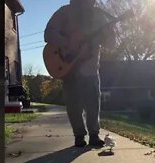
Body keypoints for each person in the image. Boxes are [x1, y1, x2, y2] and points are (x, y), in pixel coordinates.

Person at [44, 0, 116, 147]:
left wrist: (110, 33)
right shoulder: (64, 12)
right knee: (73, 105)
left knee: (93, 104)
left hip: (90, 68)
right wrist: (67, 42)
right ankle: (79, 135)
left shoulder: (99, 16)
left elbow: (111, 44)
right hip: (69, 67)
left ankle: (94, 135)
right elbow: (48, 34)